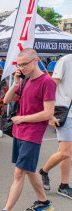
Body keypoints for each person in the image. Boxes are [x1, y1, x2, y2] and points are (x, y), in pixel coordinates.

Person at [0, 48, 56, 211]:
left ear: (35, 60)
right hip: (19, 132)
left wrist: (22, 118)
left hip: (32, 133)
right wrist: (15, 82)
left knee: (19, 173)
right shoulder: (25, 81)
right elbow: (6, 100)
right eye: (19, 64)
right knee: (29, 170)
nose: (21, 67)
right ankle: (43, 202)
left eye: (24, 64)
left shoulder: (47, 82)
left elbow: (48, 113)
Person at [39, 54, 72, 199]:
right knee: (65, 152)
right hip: (65, 111)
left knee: (68, 153)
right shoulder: (66, 60)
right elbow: (52, 86)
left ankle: (64, 185)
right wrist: (49, 113)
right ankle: (44, 172)